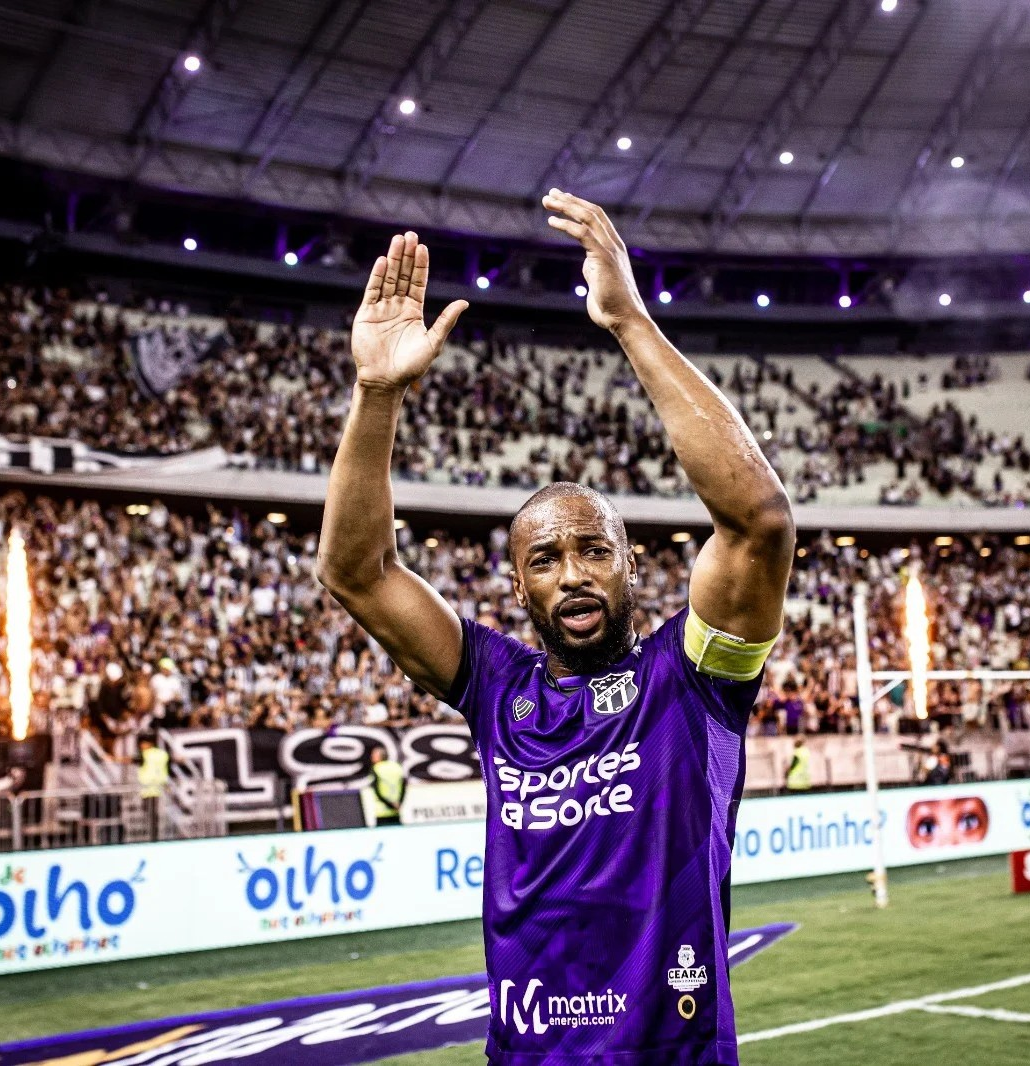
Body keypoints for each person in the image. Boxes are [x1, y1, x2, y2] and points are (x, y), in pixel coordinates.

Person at [317, 197, 793, 1065]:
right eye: (544, 560)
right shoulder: (497, 689)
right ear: (517, 585)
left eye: (592, 550)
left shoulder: (692, 683)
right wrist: (377, 393)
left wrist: (627, 320)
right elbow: (357, 573)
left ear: (630, 565)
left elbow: (758, 523)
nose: (571, 572)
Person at [137, 733, 170, 841]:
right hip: (156, 789)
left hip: (149, 790)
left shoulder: (146, 754)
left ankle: (153, 837)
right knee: (153, 816)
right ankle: (154, 836)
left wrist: (113, 758)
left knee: (151, 816)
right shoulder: (162, 754)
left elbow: (131, 759)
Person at [367, 745, 407, 826]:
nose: (371, 757)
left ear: (380, 757)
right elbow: (404, 786)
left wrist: (389, 805)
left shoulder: (376, 769)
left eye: (373, 755)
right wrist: (399, 803)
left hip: (381, 811)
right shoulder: (397, 767)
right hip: (396, 809)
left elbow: (377, 791)